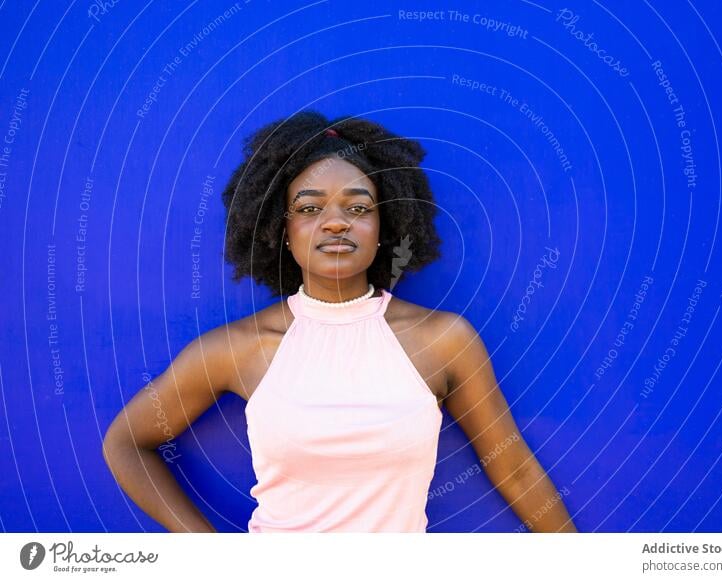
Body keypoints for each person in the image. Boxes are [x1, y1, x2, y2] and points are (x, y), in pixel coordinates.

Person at [102, 110, 577, 533]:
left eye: (357, 208)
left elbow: (513, 468)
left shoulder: (444, 341)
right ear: (280, 231)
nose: (335, 222)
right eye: (309, 209)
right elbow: (126, 442)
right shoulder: (238, 348)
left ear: (383, 228)